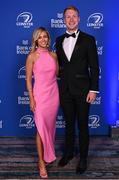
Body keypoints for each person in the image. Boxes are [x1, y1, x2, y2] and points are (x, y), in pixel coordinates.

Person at [55, 6, 99, 174]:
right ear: (64, 19)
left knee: (82, 125)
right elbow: (59, 66)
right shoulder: (59, 40)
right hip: (65, 90)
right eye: (68, 16)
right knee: (68, 124)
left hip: (83, 90)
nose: (71, 19)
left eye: (74, 16)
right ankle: (68, 153)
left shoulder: (89, 39)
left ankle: (83, 158)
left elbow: (94, 67)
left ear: (79, 19)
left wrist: (93, 90)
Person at [26, 27, 59, 178]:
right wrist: (32, 98)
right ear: (36, 40)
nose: (43, 39)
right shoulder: (32, 56)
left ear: (48, 39)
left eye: (45, 37)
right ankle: (41, 162)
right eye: (40, 37)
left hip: (53, 96)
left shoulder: (54, 55)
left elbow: (57, 74)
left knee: (50, 128)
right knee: (40, 129)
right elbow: (28, 80)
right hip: (40, 97)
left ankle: (48, 155)